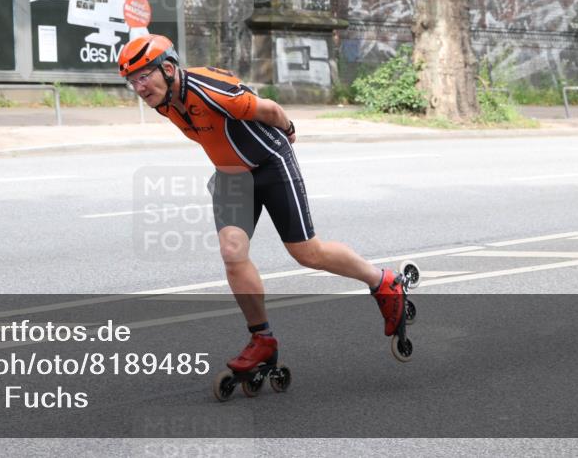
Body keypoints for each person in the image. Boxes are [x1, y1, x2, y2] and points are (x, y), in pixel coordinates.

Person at [118, 33, 408, 372]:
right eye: (131, 81)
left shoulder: (211, 90)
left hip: (271, 164)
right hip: (230, 176)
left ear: (167, 68)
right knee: (232, 252)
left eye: (142, 76)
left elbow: (270, 109)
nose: (138, 87)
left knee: (307, 253)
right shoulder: (164, 100)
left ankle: (383, 281)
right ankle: (262, 339)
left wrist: (289, 128)